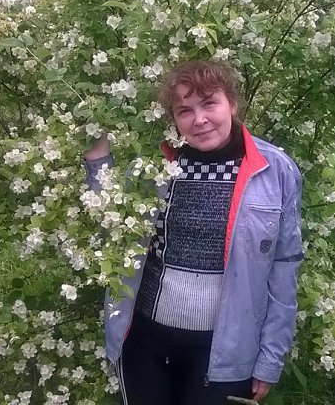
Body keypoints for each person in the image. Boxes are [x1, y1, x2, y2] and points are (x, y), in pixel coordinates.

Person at [84, 60, 303, 404]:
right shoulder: (156, 166)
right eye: (185, 110)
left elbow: (284, 267)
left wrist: (270, 358)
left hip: (225, 354)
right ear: (174, 118)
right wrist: (97, 156)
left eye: (209, 104)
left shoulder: (274, 169)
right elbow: (112, 222)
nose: (199, 120)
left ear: (232, 104)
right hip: (144, 343)